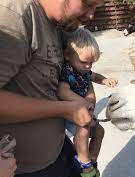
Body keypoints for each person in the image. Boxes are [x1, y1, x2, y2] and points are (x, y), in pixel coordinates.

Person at [0, 0, 104, 176]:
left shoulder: (61, 24)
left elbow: (77, 67)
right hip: (25, 168)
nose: (91, 15)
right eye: (87, 3)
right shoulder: (14, 16)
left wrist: (88, 98)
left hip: (58, 150)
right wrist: (65, 109)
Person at [58, 28, 117, 177]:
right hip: (71, 110)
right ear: (67, 56)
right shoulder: (68, 71)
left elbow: (94, 76)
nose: (88, 67)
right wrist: (83, 102)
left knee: (99, 131)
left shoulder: (83, 70)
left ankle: (91, 160)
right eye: (85, 62)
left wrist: (104, 80)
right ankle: (83, 162)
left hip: (83, 108)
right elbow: (62, 91)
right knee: (83, 127)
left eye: (91, 63)